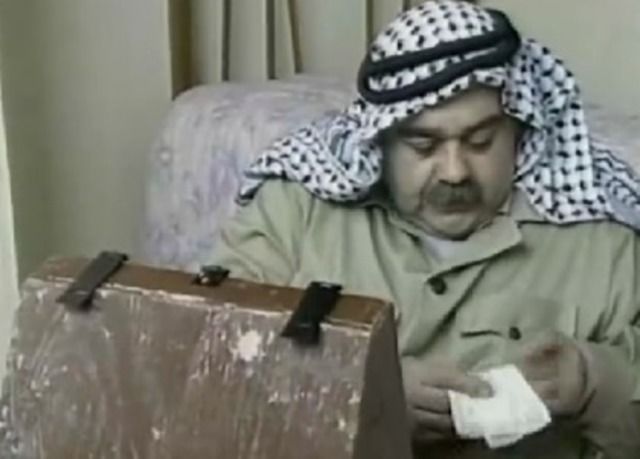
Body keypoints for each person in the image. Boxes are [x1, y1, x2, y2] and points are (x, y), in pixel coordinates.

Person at [211, 1, 640, 457]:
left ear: (519, 128)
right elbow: (210, 359)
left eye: (481, 142)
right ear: (381, 141)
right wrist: (361, 393)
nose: (455, 171)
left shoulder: (602, 242)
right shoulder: (295, 214)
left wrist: (595, 380)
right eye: (424, 144)